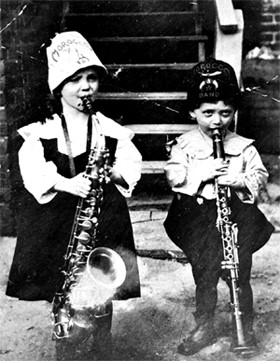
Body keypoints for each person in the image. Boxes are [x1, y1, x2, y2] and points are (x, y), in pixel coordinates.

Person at [6, 31, 142, 360]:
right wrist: (66, 183)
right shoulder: (44, 128)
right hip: (57, 215)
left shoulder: (107, 126)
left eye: (92, 78)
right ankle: (65, 337)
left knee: (102, 283)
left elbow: (132, 162)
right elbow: (31, 168)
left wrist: (112, 173)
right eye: (75, 79)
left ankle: (101, 342)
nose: (86, 87)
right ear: (57, 87)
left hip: (102, 214)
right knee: (62, 279)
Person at [164, 58, 274, 357]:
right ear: (192, 112)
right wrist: (204, 174)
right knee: (205, 273)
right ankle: (205, 324)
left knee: (240, 272)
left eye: (225, 113)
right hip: (198, 218)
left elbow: (260, 175)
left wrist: (236, 178)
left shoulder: (242, 145)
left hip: (236, 218)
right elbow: (174, 176)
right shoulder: (183, 145)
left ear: (233, 112)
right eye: (208, 113)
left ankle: (245, 325)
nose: (217, 122)